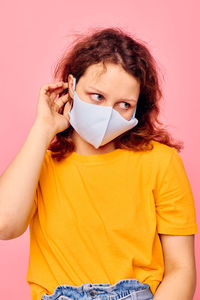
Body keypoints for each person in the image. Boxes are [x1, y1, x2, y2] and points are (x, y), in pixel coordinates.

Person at [0, 27, 198, 300]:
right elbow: (4, 224)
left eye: (124, 105)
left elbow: (181, 269)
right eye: (97, 97)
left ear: (137, 107)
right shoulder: (39, 165)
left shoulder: (161, 162)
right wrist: (43, 129)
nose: (107, 113)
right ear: (71, 86)